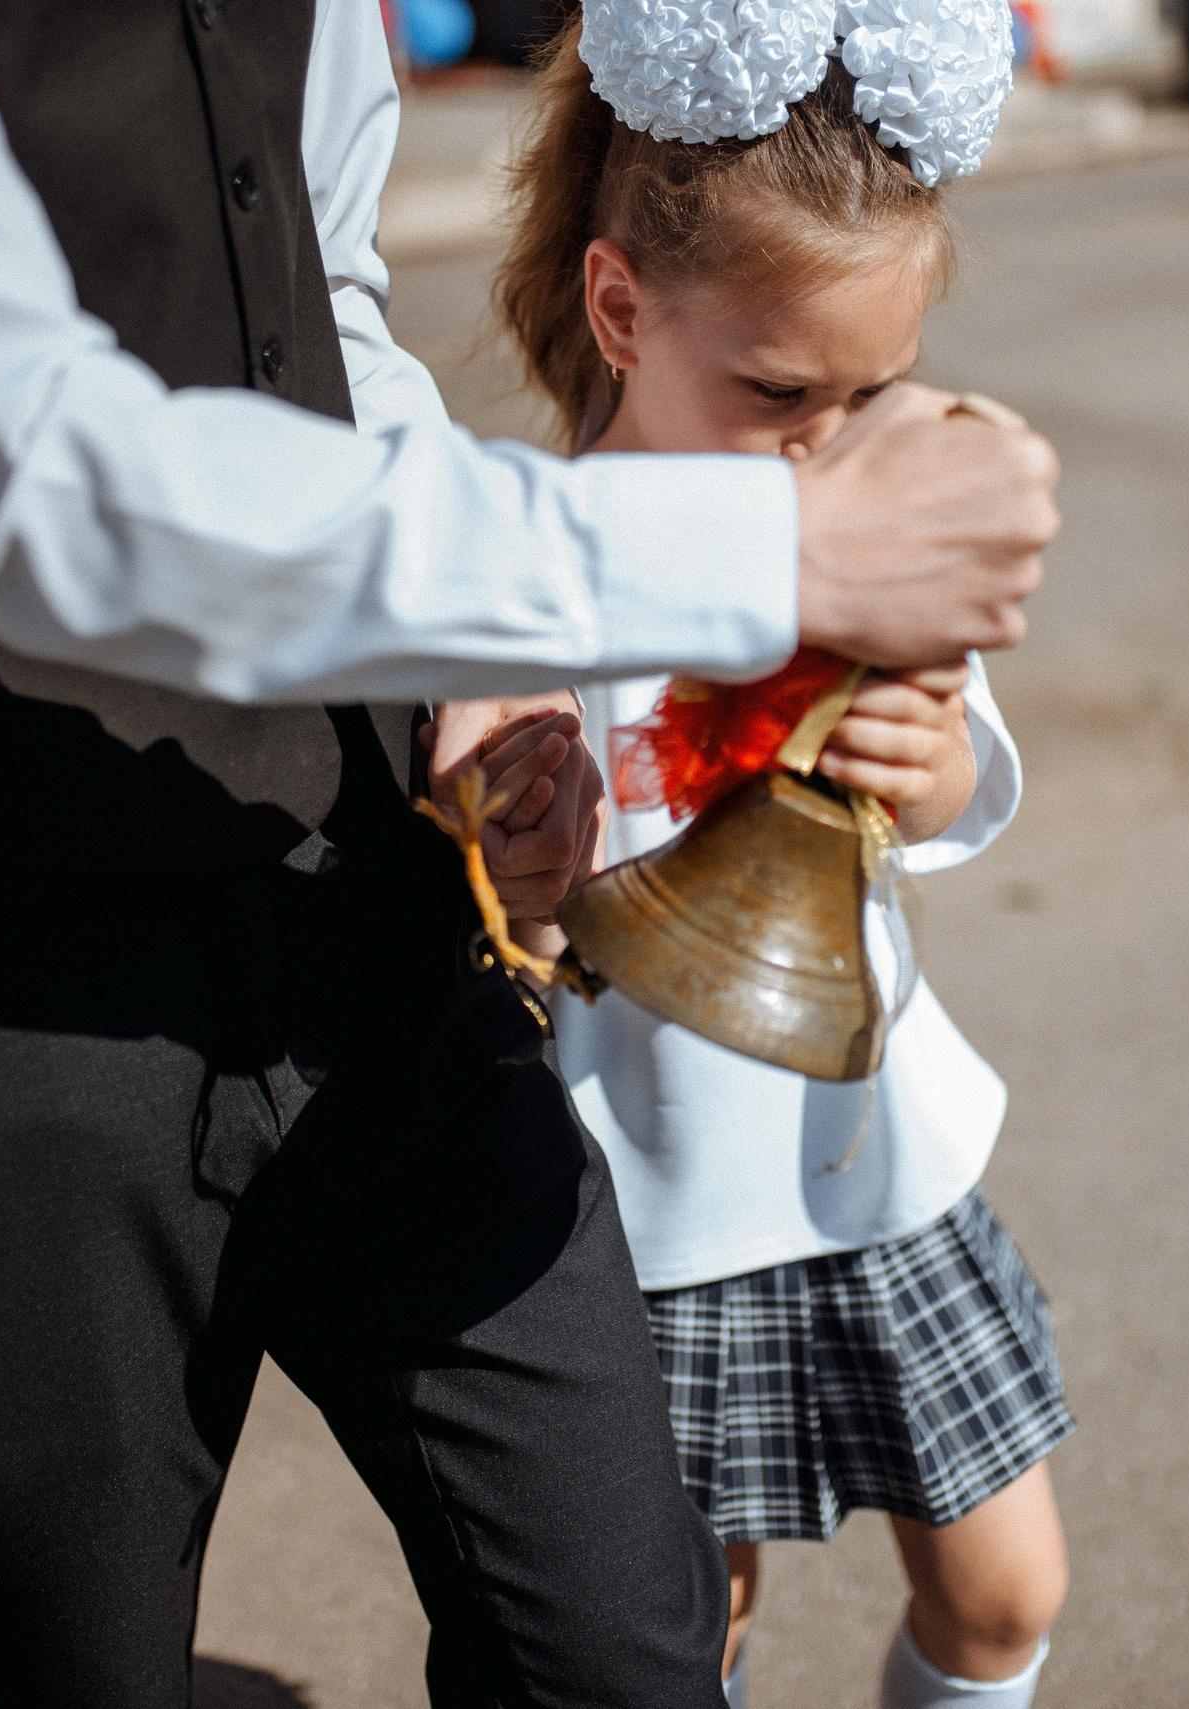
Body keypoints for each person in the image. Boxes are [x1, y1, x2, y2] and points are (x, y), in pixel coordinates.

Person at [0, 0, 1059, 1704]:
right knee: (84, 1671)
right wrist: (751, 549)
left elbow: (316, 296)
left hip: (364, 893)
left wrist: (466, 656)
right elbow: (23, 475)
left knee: (624, 1645)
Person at [449, 18, 1074, 1708]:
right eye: (781, 394)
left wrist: (939, 763)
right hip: (650, 1200)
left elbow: (957, 786)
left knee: (1007, 1590)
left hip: (870, 1159)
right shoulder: (527, 569)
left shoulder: (870, 538)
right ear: (622, 308)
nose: (829, 450)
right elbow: (501, 904)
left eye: (873, 395)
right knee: (673, 1633)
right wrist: (518, 856)